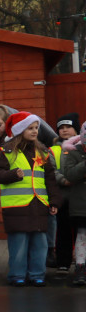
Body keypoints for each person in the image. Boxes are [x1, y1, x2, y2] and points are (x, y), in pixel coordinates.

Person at [0, 112, 60, 287]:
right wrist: (13, 174)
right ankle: (17, 275)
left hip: (39, 205)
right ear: (20, 130)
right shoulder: (7, 151)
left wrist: (54, 202)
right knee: (19, 244)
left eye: (36, 127)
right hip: (17, 207)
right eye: (30, 128)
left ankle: (37, 274)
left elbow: (50, 179)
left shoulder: (42, 152)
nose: (35, 131)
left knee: (40, 243)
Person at [48, 113, 77, 272]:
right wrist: (64, 180)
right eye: (61, 128)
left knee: (81, 231)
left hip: (80, 197)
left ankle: (80, 261)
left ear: (76, 129)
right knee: (63, 230)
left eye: (68, 127)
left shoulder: (82, 147)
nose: (64, 130)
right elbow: (51, 171)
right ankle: (63, 261)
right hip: (63, 197)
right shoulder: (53, 150)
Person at [60, 122, 86, 286]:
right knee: (82, 236)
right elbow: (69, 174)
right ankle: (80, 267)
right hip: (81, 205)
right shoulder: (72, 152)